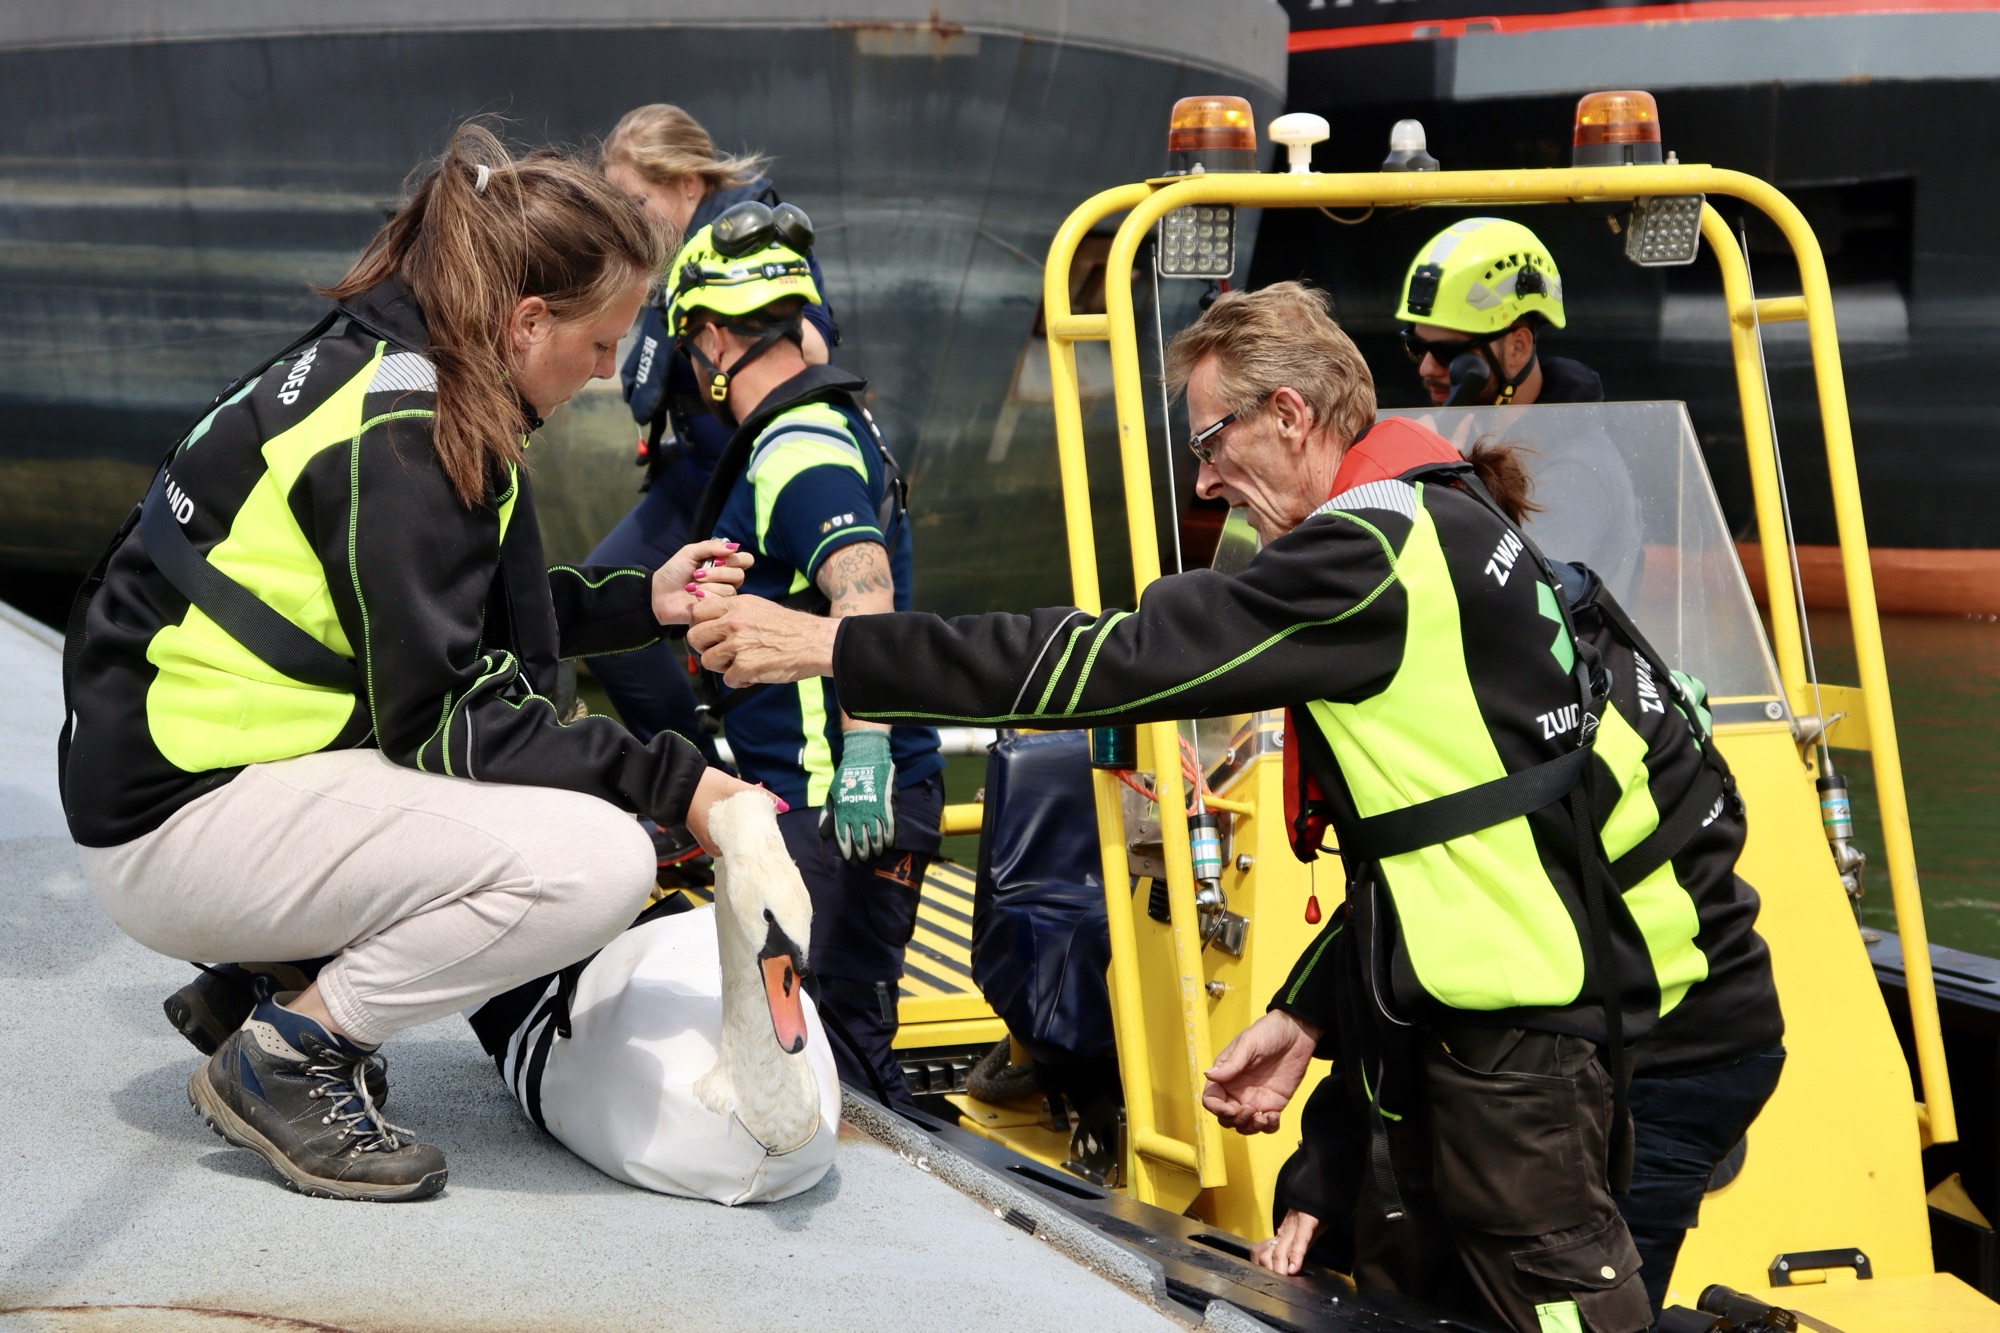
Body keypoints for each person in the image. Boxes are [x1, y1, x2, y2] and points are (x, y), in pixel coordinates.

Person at [688, 283, 1781, 1333]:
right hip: (1528, 1013)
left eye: (1210, 444)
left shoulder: (1369, 556)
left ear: (1290, 415)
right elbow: (1445, 845)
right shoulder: (1442, 520)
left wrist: (839, 643)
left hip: (1573, 1035)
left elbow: (1120, 658)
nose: (1205, 482)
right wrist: (1309, 1013)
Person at [59, 124, 768, 1203]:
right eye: (597, 343)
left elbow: (429, 611)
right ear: (527, 321)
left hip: (168, 777)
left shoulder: (394, 364)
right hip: (177, 821)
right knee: (597, 860)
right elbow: (447, 712)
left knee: (523, 804)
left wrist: (641, 602)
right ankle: (290, 1048)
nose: (604, 373)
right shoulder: (408, 436)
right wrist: (683, 785)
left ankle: (268, 970)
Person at [665, 203, 943, 1105]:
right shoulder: (833, 415)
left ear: (710, 337)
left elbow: (862, 587)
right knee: (833, 1037)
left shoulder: (795, 441)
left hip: (842, 806)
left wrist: (865, 758)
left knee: (838, 1058)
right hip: (836, 795)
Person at [584, 104, 837, 779]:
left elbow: (816, 342)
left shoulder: (748, 242)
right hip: (694, 471)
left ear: (688, 187)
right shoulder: (661, 257)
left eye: (638, 200)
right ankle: (692, 771)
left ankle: (746, 785)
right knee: (602, 599)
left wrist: (748, 312)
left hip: (751, 474)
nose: (628, 217)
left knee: (757, 641)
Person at [1397, 218, 1641, 601]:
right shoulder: (1473, 433)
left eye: (1447, 354)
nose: (1426, 368)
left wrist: (1441, 486)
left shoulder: (1573, 476)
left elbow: (1510, 606)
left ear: (1518, 348)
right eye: (1416, 347)